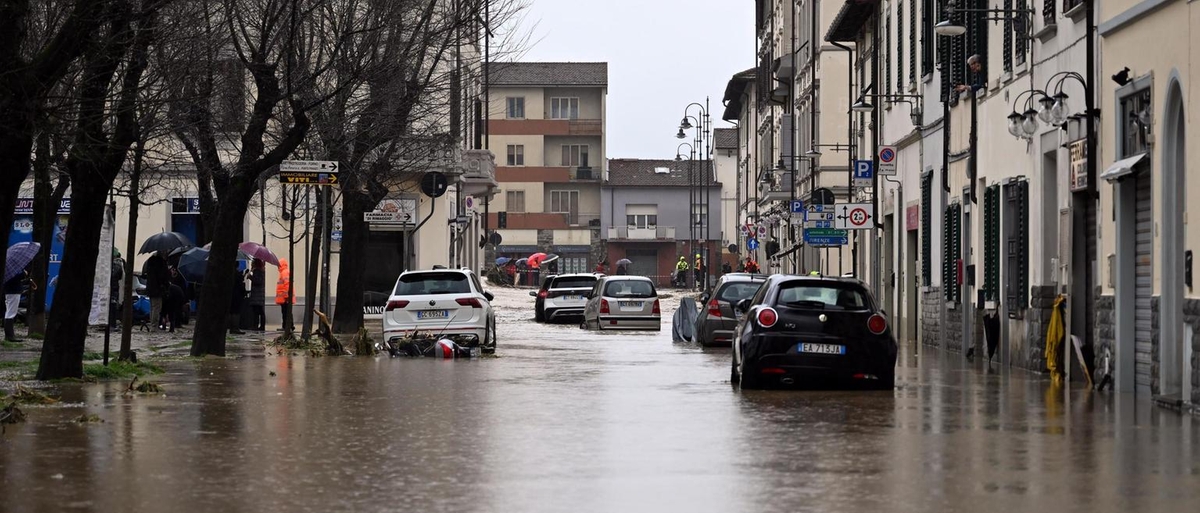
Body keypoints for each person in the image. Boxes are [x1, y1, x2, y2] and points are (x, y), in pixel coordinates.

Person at [142, 252, 171, 330]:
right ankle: (154, 326)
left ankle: (153, 324)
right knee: (157, 308)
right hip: (158, 289)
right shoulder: (161, 263)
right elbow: (163, 277)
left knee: (152, 307)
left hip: (150, 288)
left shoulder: (150, 262)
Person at [4, 269, 31, 342]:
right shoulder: (10, 270)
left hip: (11, 291)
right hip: (13, 291)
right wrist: (23, 273)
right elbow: (14, 277)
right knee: (11, 312)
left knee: (10, 312)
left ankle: (10, 335)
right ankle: (10, 336)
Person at [275, 258, 293, 331]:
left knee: (286, 312)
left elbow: (287, 285)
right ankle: (289, 326)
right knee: (287, 312)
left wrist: (286, 296)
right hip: (285, 297)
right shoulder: (284, 272)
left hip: (285, 298)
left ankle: (287, 326)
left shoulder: (284, 273)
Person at [228, 263, 246, 335]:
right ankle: (235, 328)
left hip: (230, 295)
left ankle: (230, 327)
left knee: (231, 311)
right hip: (237, 295)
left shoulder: (228, 274)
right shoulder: (238, 274)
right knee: (236, 312)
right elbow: (241, 285)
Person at [249, 259, 266, 331]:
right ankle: (261, 326)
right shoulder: (262, 271)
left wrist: (250, 277)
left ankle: (255, 326)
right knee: (260, 311)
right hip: (260, 294)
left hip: (257, 295)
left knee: (256, 311)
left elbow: (257, 281)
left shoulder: (257, 271)